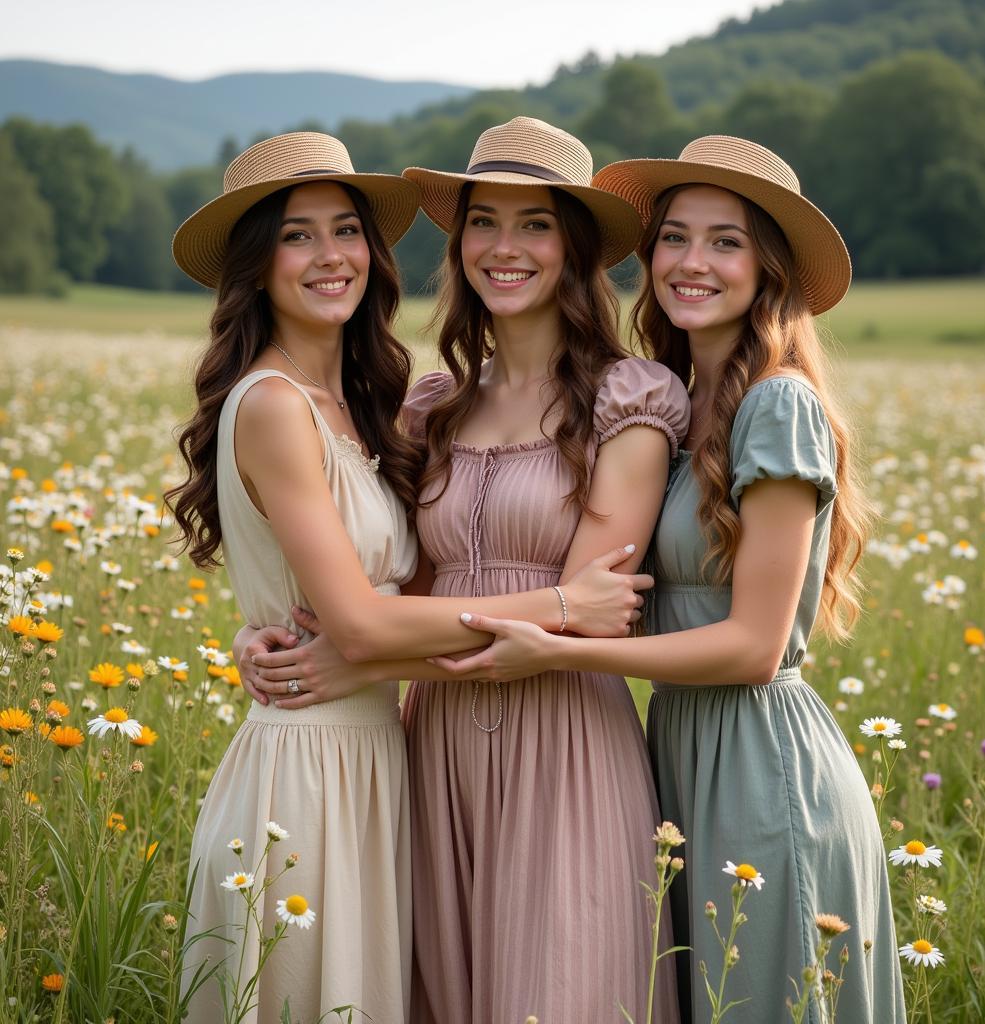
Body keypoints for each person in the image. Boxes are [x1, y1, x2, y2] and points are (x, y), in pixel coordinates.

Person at [172, 131, 648, 1024]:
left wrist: (360, 650)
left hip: (423, 752)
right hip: (324, 767)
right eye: (297, 235)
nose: (330, 256)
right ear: (255, 264)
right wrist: (556, 604)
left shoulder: (380, 407)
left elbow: (383, 610)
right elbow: (361, 620)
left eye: (345, 230)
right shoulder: (293, 405)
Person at [432, 136, 906, 1023]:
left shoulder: (779, 404)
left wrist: (557, 651)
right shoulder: (691, 406)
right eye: (675, 238)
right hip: (681, 751)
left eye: (725, 242)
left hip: (762, 765)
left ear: (769, 269)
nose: (692, 262)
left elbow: (756, 647)